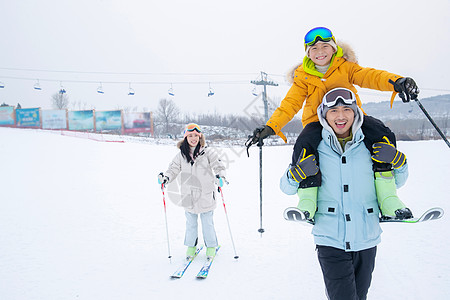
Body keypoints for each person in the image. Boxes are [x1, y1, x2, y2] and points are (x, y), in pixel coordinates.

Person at [250, 26, 417, 220]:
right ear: (308, 53)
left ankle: (389, 200)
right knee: (304, 146)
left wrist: (396, 82)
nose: (320, 52)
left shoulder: (346, 67)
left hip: (351, 117)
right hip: (316, 122)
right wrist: (272, 126)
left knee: (382, 133)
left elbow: (371, 76)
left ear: (334, 48)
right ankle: (307, 203)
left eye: (324, 46)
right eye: (314, 49)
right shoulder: (302, 76)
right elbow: (290, 104)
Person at [280, 88, 409, 300]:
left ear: (356, 112)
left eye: (346, 109)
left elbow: (399, 182)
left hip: (367, 238)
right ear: (324, 114)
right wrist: (296, 173)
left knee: (360, 296)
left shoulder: (371, 142)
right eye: (334, 111)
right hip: (330, 239)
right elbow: (286, 187)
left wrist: (399, 161)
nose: (340, 116)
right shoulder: (313, 144)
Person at [158, 123, 227, 259]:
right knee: (190, 224)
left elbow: (218, 166)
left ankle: (211, 247)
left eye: (196, 135)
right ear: (186, 137)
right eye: (190, 136)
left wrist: (221, 178)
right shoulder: (181, 155)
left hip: (206, 195)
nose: (193, 138)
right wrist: (166, 178)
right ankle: (191, 246)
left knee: (207, 223)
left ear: (200, 136)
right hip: (188, 196)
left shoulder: (207, 152)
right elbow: (173, 169)